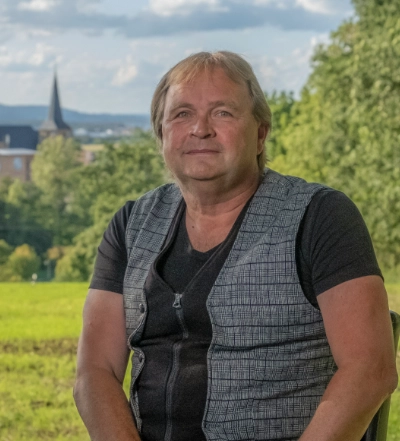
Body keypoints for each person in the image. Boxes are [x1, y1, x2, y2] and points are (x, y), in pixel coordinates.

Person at [73, 51, 398, 441]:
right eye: (182, 114)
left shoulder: (322, 216)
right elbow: (95, 371)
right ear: (161, 135)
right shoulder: (131, 225)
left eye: (223, 113)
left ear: (260, 134)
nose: (201, 129)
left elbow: (370, 368)